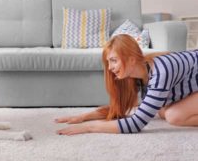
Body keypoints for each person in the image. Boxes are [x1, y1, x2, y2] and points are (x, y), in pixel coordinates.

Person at [55, 34, 198, 135]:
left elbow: (136, 124)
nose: (110, 68)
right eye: (108, 62)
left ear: (131, 59)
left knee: (174, 116)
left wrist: (89, 128)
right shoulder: (139, 72)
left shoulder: (161, 72)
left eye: (113, 60)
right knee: (160, 111)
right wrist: (84, 117)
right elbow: (120, 108)